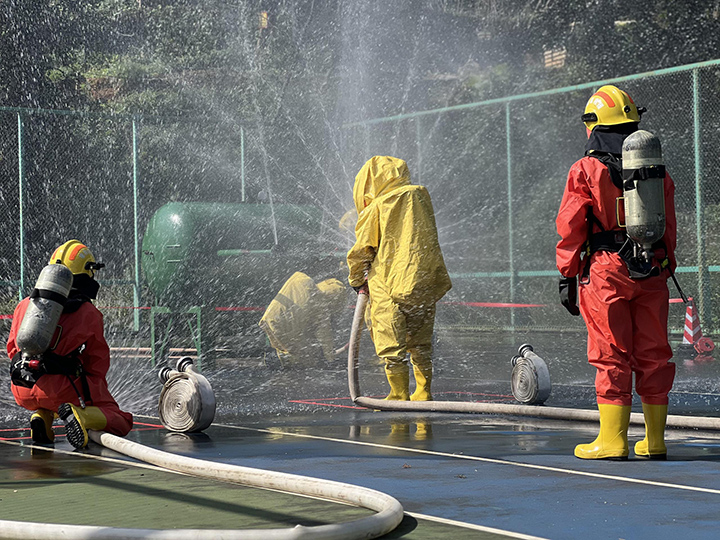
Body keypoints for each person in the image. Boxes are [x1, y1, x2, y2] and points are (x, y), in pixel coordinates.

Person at [555, 85, 677, 460]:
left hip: (607, 270)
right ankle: (654, 441)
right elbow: (669, 228)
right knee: (654, 354)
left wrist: (568, 273)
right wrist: (665, 263)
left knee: (610, 354)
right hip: (652, 267)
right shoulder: (656, 172)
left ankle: (612, 441)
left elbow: (571, 227)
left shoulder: (585, 170)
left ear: (594, 125)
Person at [8, 240, 134, 449]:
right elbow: (97, 364)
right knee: (120, 418)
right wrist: (90, 386)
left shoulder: (24, 305)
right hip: (62, 390)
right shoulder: (88, 313)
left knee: (50, 398)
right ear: (87, 273)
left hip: (22, 387)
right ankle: (81, 417)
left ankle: (41, 417)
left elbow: (12, 349)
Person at [347, 155, 451, 401]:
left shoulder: (378, 206)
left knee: (391, 339)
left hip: (388, 282)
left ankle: (398, 393)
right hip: (424, 281)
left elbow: (363, 248)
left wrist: (356, 279)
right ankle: (424, 391)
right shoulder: (420, 196)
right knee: (420, 341)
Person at [259, 271, 348, 368]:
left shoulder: (302, 279)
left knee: (286, 345)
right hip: (283, 328)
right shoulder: (321, 305)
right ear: (335, 299)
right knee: (307, 357)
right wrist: (330, 358)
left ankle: (273, 355)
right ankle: (277, 359)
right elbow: (325, 335)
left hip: (269, 319)